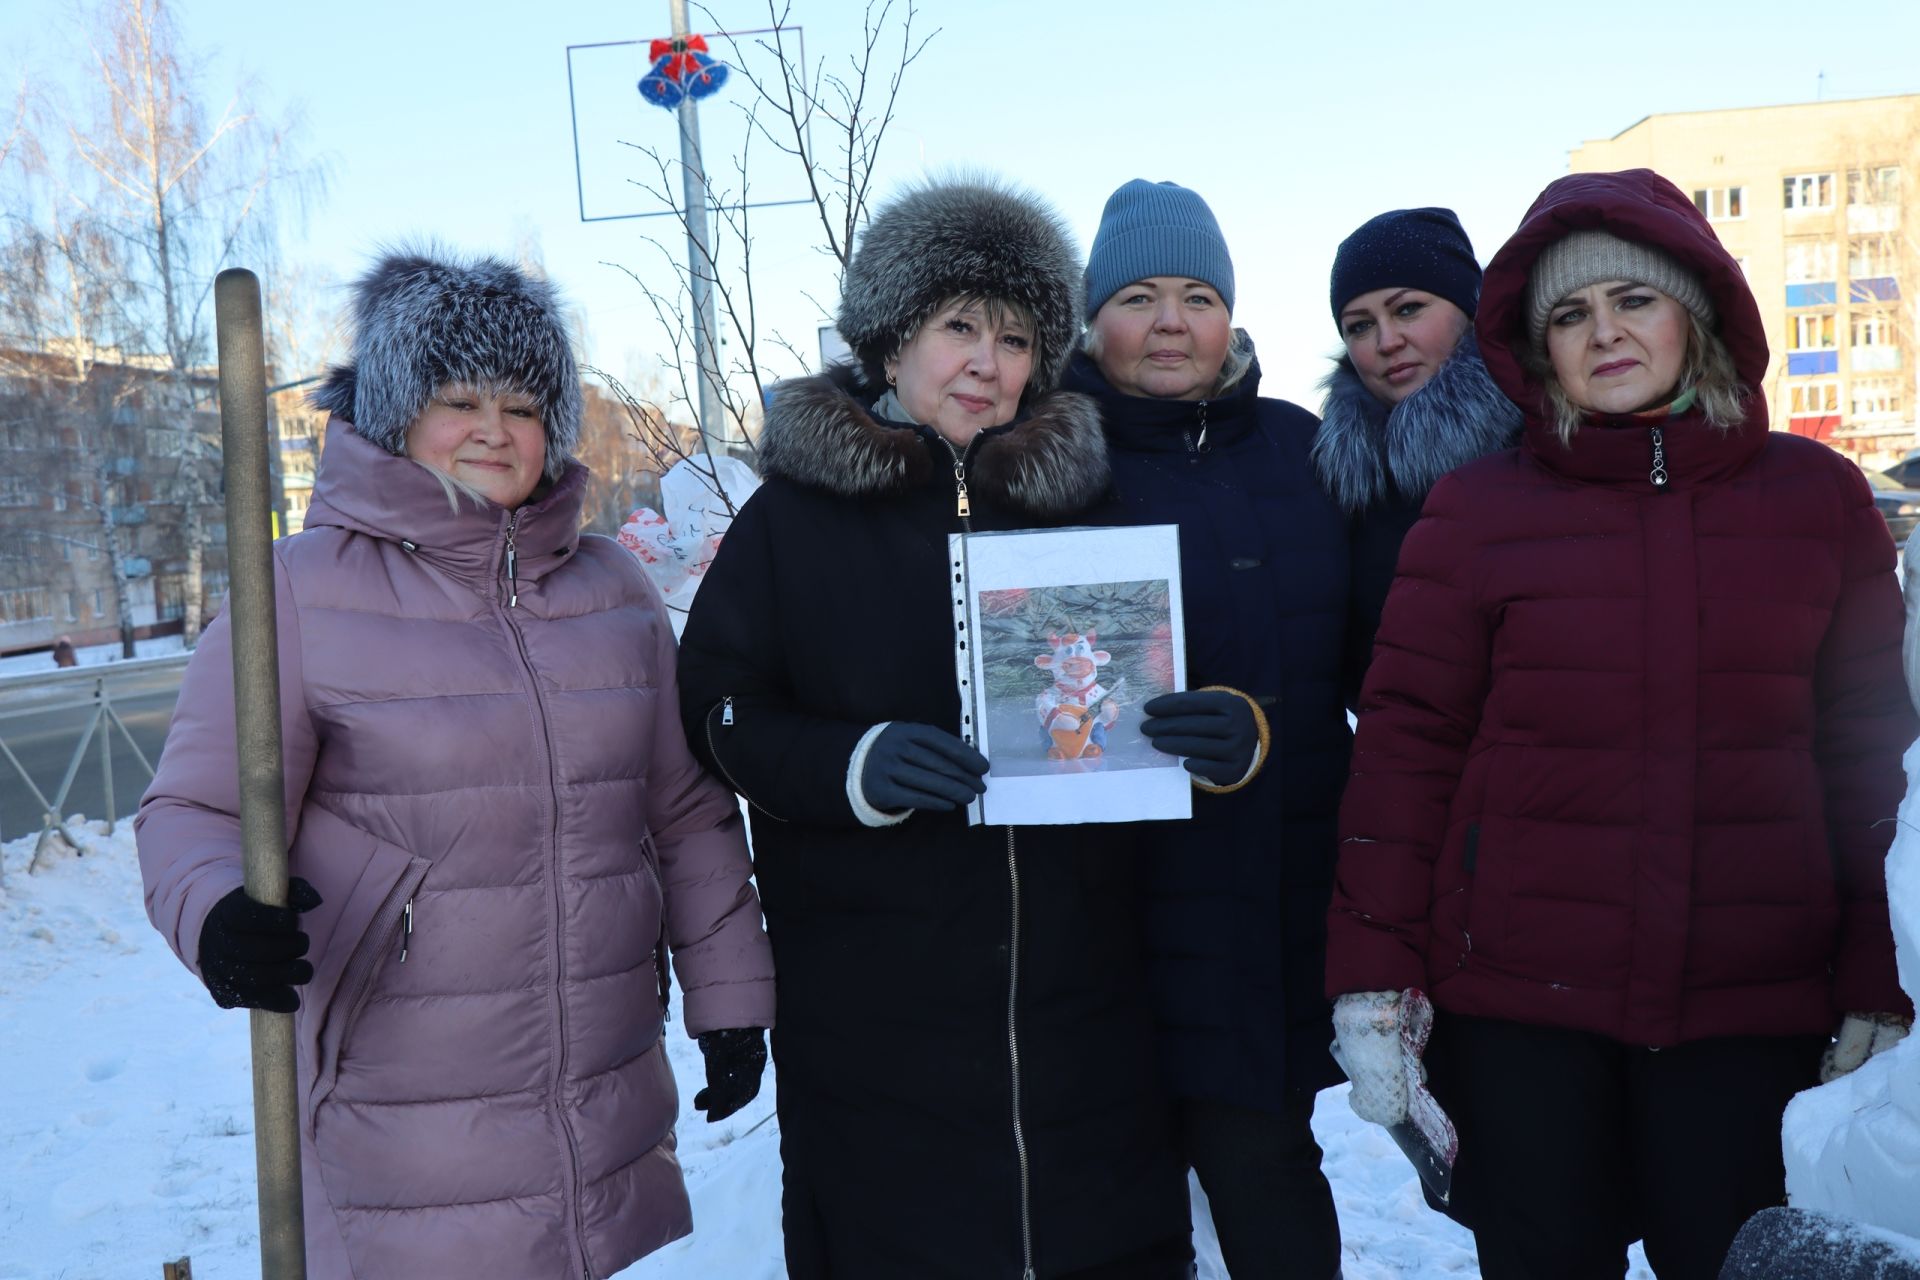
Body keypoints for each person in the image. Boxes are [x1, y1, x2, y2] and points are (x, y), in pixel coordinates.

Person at [136, 251, 775, 1280]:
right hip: (398, 1100)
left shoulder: (611, 590)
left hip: (593, 1091)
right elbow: (194, 806)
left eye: (523, 406)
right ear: (396, 416)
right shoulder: (296, 593)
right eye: (459, 399)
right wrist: (215, 912)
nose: (494, 429)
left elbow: (687, 814)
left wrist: (730, 994)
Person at [1326, 169, 1917, 1280]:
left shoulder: (1819, 500)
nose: (1602, 332)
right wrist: (1373, 971)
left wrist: (1878, 969)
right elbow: (1407, 749)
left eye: (1632, 301)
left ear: (1695, 308)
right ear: (1533, 346)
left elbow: (1871, 757)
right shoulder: (1477, 510)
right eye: (1567, 313)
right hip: (1519, 1006)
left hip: (1755, 999)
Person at [676, 178, 1193, 1279]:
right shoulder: (794, 518)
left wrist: (1203, 730)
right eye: (959, 325)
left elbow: (1149, 700)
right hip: (875, 1014)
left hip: (1079, 1014)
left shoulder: (1083, 509)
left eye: (1014, 337)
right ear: (893, 336)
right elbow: (719, 711)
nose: (986, 362)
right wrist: (853, 763)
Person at [1063, 178, 1351, 1280]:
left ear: (1232, 313)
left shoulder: (1303, 449)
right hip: (1106, 910)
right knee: (1124, 1211)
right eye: (1138, 295)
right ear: (1095, 321)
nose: (1172, 320)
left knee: (1269, 1172)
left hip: (1267, 901)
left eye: (1198, 294)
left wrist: (1263, 739)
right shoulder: (1044, 459)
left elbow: (1379, 654)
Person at [1315, 207, 1521, 661]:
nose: (1387, 341)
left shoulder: (1549, 438)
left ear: (1469, 309)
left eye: (1408, 309)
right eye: (1360, 326)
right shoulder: (1339, 487)